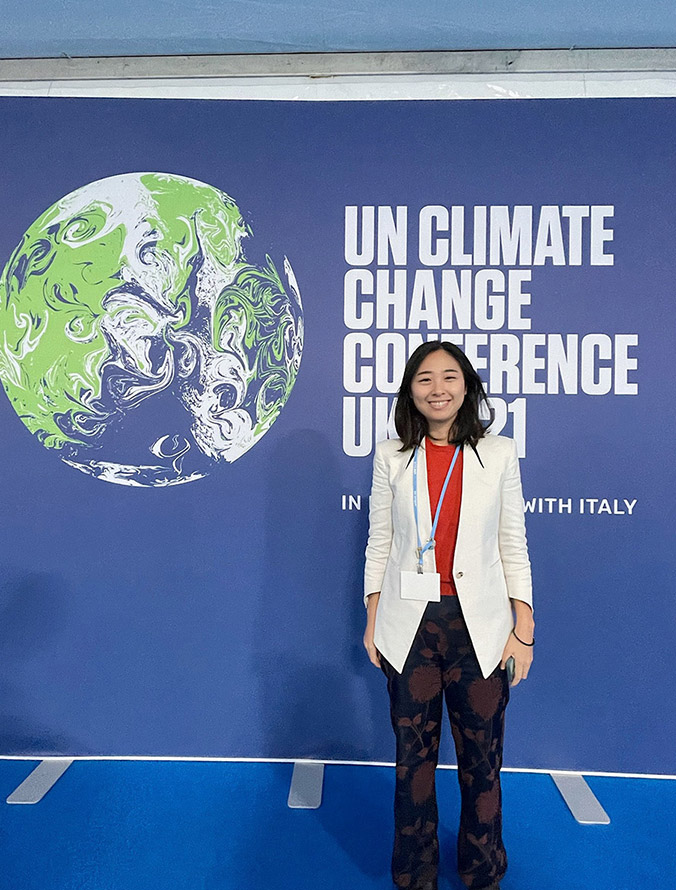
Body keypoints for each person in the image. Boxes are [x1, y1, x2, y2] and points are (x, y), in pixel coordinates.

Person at [363, 341, 534, 890]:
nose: (437, 388)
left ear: (467, 386)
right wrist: (372, 618)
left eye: (449, 377)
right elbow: (380, 542)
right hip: (409, 628)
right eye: (425, 379)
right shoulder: (391, 456)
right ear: (410, 391)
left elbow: (513, 542)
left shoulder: (499, 453)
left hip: (479, 629)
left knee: (482, 763)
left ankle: (483, 874)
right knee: (412, 764)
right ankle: (415, 876)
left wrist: (523, 629)